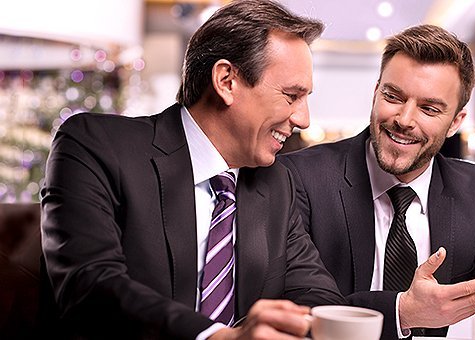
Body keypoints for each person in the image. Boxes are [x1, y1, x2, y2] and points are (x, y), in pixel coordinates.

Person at [39, 1, 345, 339]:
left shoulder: (277, 182)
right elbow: (90, 286)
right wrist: (218, 337)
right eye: (292, 96)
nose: (304, 119)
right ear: (226, 80)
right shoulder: (96, 145)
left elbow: (316, 294)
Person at [278, 24, 475, 339]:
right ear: (376, 92)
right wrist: (401, 313)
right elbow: (297, 308)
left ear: (456, 122)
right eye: (393, 96)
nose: (405, 120)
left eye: (429, 109)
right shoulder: (299, 177)